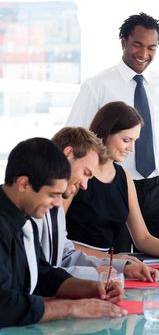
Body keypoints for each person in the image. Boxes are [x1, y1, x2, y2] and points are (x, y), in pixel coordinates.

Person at [65, 12, 159, 251]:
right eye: (137, 45)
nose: (144, 54)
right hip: (113, 190)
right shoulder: (97, 86)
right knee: (120, 264)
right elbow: (73, 138)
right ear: (123, 42)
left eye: (152, 47)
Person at [0, 138, 126, 328]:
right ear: (24, 184)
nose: (58, 204)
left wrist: (93, 289)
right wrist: (71, 308)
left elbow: (43, 275)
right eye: (53, 195)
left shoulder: (25, 220)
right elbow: (4, 305)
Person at [65, 102, 159, 265]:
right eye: (126, 140)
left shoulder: (124, 177)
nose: (131, 148)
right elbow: (56, 241)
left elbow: (143, 238)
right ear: (106, 133)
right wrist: (113, 260)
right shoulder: (78, 174)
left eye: (134, 141)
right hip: (73, 262)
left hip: (107, 265)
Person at [32, 127, 158, 282]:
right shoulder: (28, 205)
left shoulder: (55, 206)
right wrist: (98, 274)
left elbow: (66, 256)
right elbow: (37, 274)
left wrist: (122, 267)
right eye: (85, 172)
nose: (85, 185)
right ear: (68, 154)